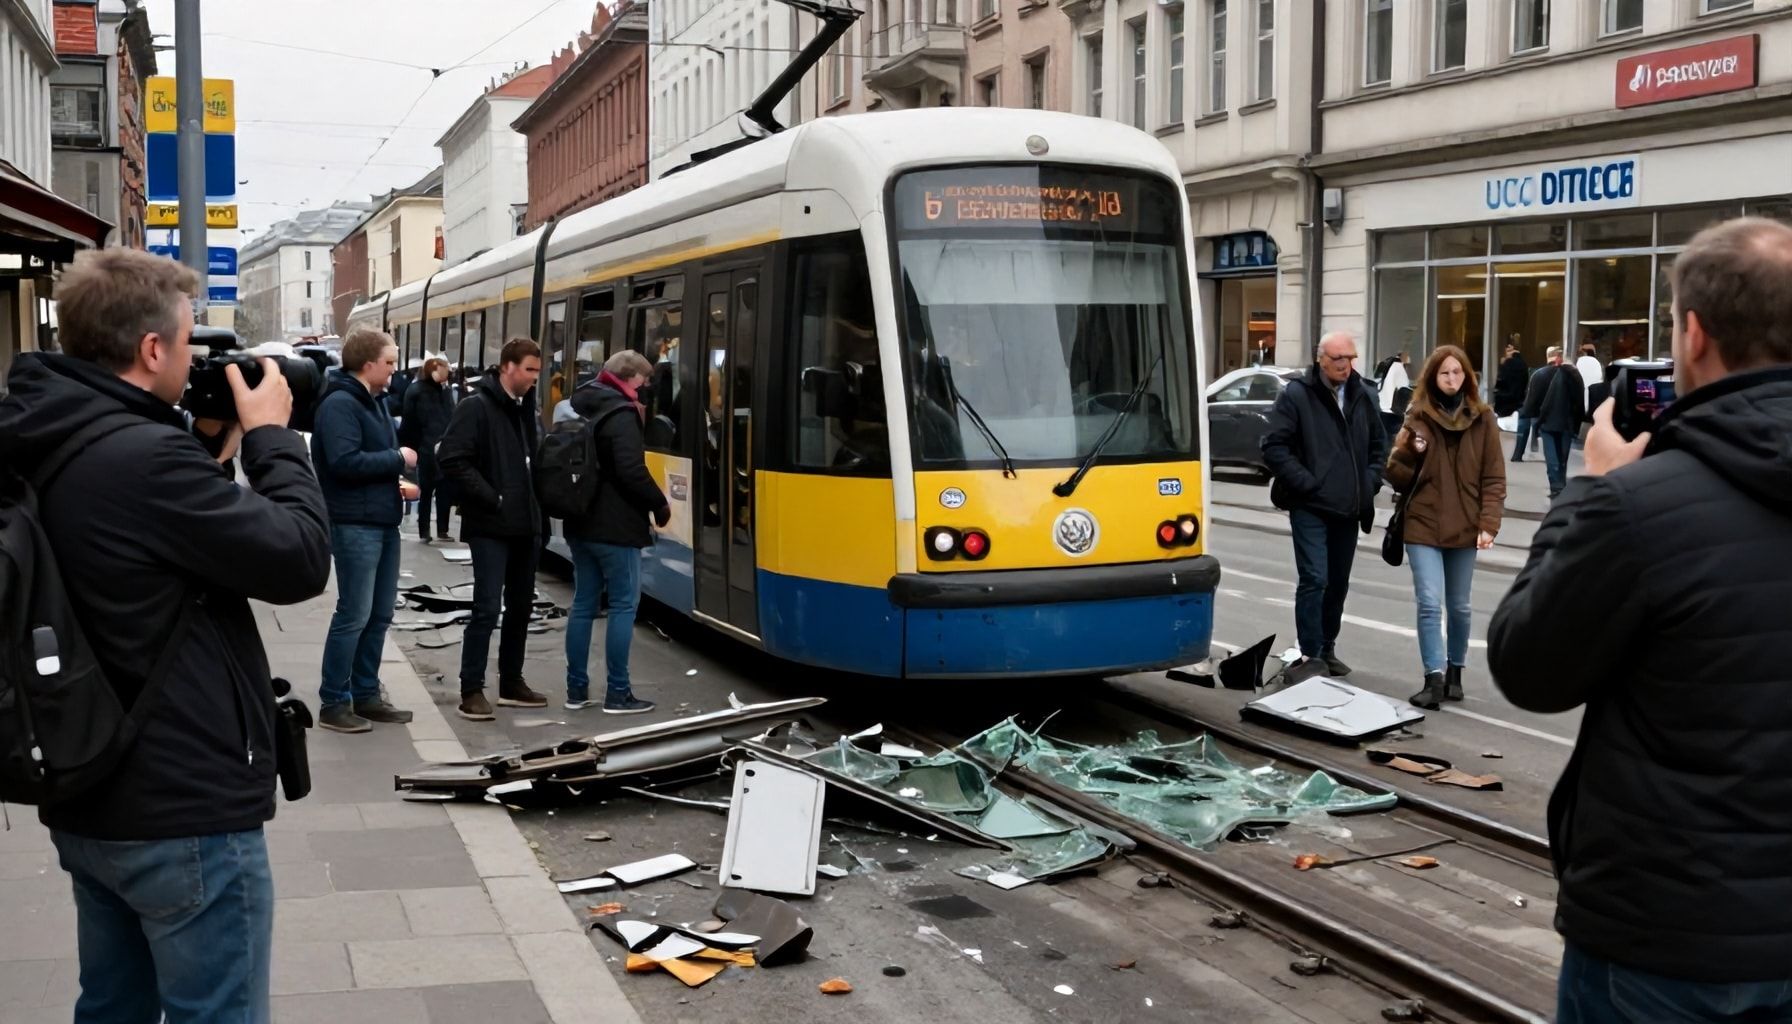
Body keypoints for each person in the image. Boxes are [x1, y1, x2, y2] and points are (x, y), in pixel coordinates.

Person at [0, 248, 330, 1019]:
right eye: (187, 342)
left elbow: (148, 546)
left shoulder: (46, 432)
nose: (193, 360)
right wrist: (272, 440)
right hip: (180, 806)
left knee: (112, 1007)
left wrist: (206, 447)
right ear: (152, 349)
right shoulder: (145, 459)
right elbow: (297, 559)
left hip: (90, 788)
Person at [1488, 217, 1792, 1021]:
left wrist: (1590, 492)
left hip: (1669, 938)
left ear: (1694, 335)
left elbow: (1526, 667)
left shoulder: (1636, 505)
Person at [1260, 330, 1389, 679]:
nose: (1345, 365)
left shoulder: (1364, 394)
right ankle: (1310, 654)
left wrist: (1369, 482)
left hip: (1349, 506)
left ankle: (1327, 647)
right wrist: (1306, 483)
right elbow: (1273, 446)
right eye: (1337, 359)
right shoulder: (1297, 394)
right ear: (1321, 359)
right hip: (1310, 506)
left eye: (1350, 358)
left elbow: (1380, 446)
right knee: (1315, 578)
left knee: (1338, 582)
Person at [1383, 345, 1506, 709]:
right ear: (1432, 378)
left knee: (1460, 606)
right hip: (1423, 522)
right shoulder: (1417, 416)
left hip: (1466, 524)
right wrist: (1409, 450)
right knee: (1429, 602)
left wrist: (1489, 524)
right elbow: (1396, 476)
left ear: (1467, 377)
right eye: (1444, 373)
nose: (1452, 379)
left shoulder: (1483, 419)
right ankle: (1433, 678)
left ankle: (1455, 671)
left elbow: (1494, 478)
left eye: (1458, 372)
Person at [312, 328, 419, 734]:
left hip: (381, 519)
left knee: (379, 613)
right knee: (354, 614)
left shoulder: (374, 401)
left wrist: (399, 481)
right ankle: (334, 702)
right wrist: (397, 458)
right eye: (389, 362)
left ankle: (367, 694)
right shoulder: (340, 404)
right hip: (354, 522)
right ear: (368, 363)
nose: (394, 369)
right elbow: (343, 462)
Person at [438, 337, 549, 720]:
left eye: (537, 371)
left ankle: (511, 682)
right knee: (486, 608)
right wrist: (492, 497)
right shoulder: (476, 407)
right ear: (507, 367)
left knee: (521, 607)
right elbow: (452, 458)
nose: (534, 378)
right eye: (529, 370)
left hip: (525, 524)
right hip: (490, 525)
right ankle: (471, 689)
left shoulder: (524, 407)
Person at [562, 351, 672, 714]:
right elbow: (630, 469)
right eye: (643, 383)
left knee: (583, 604)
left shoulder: (579, 404)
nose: (645, 391)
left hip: (580, 520)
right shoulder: (621, 413)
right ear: (630, 378)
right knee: (624, 605)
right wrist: (659, 503)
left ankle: (576, 690)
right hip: (616, 526)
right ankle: (618, 693)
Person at [400, 356, 457, 542]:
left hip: (442, 446)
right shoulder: (418, 391)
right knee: (427, 489)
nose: (447, 373)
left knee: (443, 489)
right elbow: (410, 422)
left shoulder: (443, 391)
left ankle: (440, 529)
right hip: (425, 447)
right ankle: (426, 530)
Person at [1520, 345, 1586, 499]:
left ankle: (1556, 485)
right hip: (1567, 420)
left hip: (1546, 420)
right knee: (1563, 455)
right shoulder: (1574, 375)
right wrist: (1578, 420)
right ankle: (1561, 482)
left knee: (1551, 455)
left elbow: (1532, 400)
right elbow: (1579, 400)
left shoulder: (1539, 375)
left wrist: (1531, 416)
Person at [1494, 341, 1529, 419]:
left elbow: (1501, 380)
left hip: (1505, 403)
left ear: (1510, 348)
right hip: (1519, 403)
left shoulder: (1508, 363)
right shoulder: (1523, 363)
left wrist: (1502, 365)